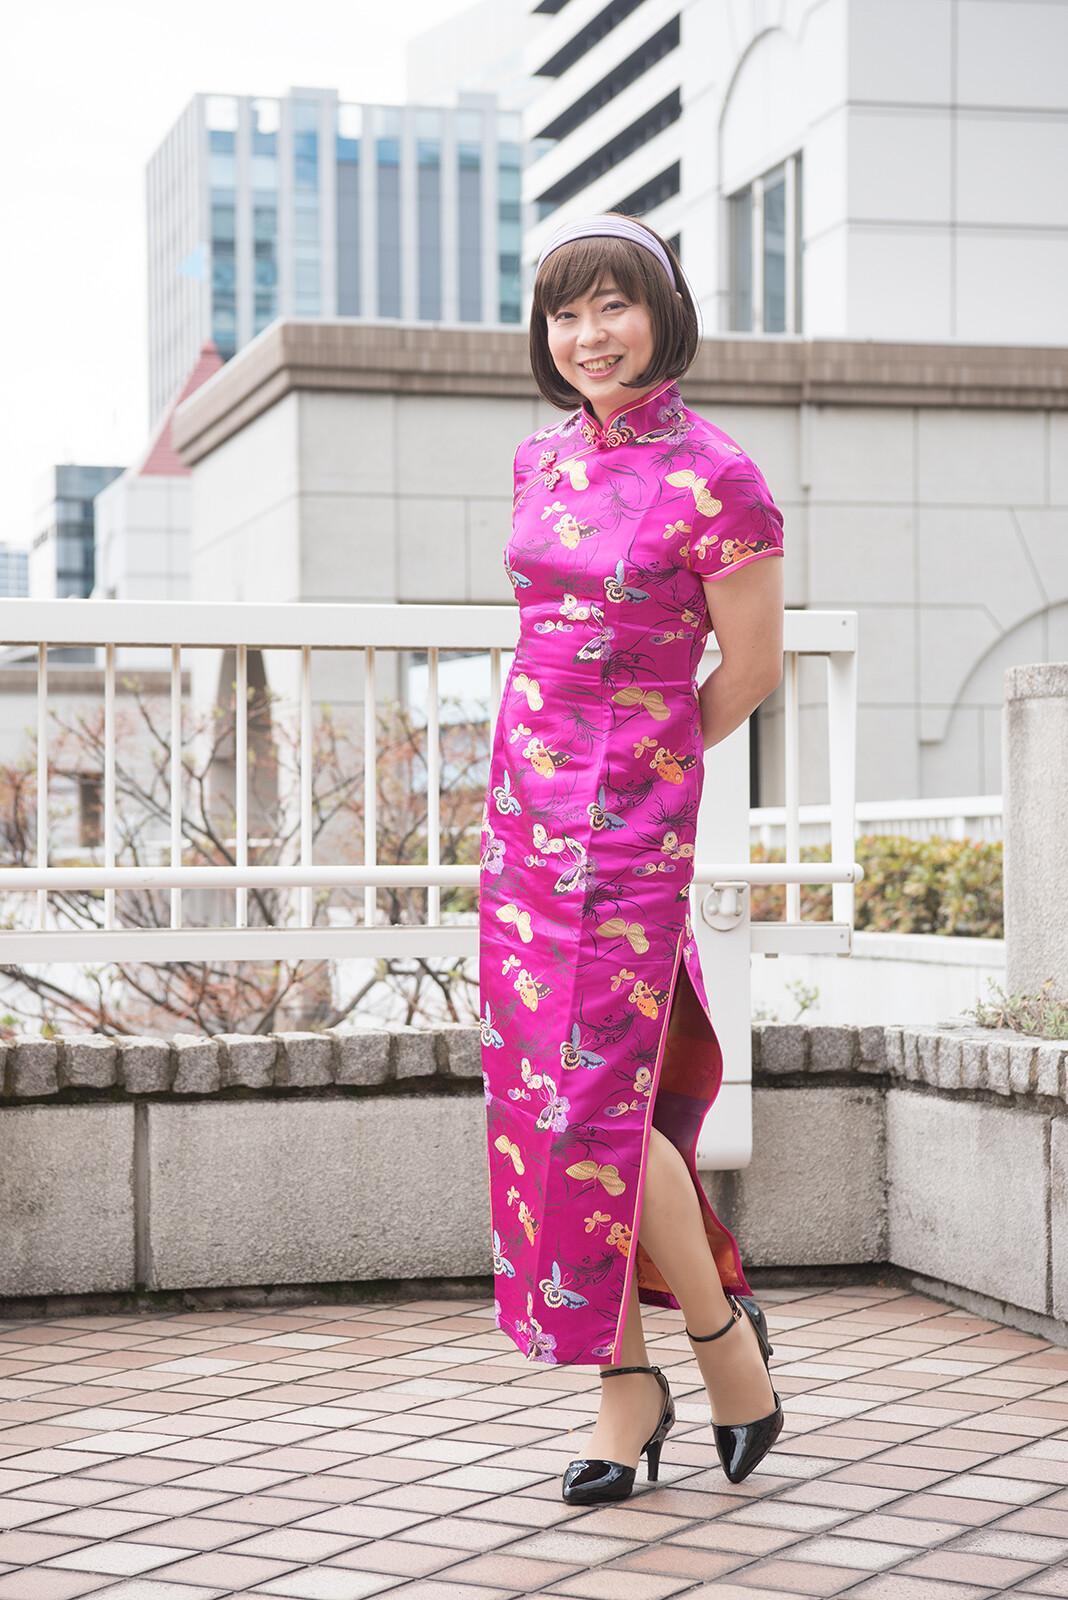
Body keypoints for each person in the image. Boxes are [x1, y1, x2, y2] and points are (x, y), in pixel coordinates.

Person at [478, 215, 785, 1505]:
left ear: (664, 315)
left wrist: (641, 768)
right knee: (543, 1107)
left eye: (614, 306)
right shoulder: (539, 459)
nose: (588, 336)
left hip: (628, 831)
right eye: (566, 314)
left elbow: (751, 670)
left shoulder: (722, 479)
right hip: (520, 821)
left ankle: (714, 1354)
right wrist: (548, 778)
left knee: (596, 1103)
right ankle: (640, 1377)